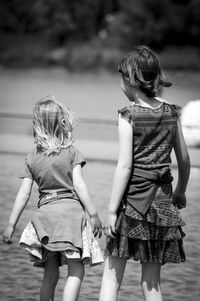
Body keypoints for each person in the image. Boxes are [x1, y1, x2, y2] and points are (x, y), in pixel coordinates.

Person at [99, 45, 190, 301]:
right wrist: (181, 189)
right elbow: (183, 159)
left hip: (132, 206)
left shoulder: (128, 115)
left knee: (111, 276)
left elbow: (125, 167)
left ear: (131, 79)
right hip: (162, 206)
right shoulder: (172, 113)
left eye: (121, 79)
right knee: (152, 282)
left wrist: (110, 210)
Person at [3, 96, 104, 301]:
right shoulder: (72, 152)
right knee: (76, 271)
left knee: (50, 274)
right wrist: (93, 214)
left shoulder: (32, 156)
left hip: (45, 219)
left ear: (37, 125)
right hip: (71, 219)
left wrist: (11, 224)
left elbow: (24, 193)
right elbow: (79, 185)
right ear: (61, 123)